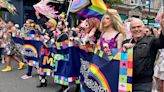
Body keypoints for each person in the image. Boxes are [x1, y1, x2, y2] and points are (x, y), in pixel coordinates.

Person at [122, 16, 164, 92]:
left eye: (139, 27)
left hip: (143, 84)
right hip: (125, 82)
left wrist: (163, 28)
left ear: (144, 28)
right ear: (130, 30)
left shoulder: (152, 40)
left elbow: (162, 42)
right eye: (133, 27)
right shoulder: (125, 42)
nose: (136, 29)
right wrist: (122, 49)